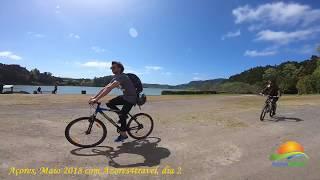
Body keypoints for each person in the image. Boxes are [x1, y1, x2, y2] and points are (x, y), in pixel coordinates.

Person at [89, 61, 137, 142]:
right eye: (111, 68)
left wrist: (97, 100)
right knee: (109, 103)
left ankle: (123, 134)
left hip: (132, 98)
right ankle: (123, 115)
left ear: (119, 68)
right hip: (125, 97)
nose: (112, 69)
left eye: (114, 67)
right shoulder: (115, 77)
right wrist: (95, 97)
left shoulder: (122, 76)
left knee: (122, 115)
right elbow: (106, 87)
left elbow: (110, 88)